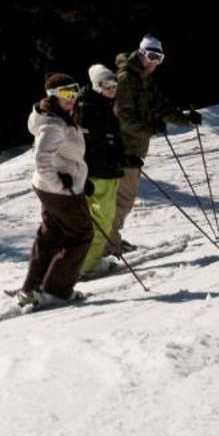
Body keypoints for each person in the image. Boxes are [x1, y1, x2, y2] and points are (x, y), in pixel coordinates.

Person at [110, 35, 201, 252]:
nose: (154, 63)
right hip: (122, 150)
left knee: (122, 199)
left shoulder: (142, 77)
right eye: (151, 56)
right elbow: (122, 117)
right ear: (141, 53)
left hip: (134, 148)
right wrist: (150, 128)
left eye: (159, 58)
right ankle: (108, 244)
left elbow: (159, 105)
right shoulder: (126, 79)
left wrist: (185, 119)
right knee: (122, 198)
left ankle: (110, 239)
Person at [16, 72, 93, 309]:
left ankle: (33, 288)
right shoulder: (53, 124)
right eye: (65, 94)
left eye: (74, 92)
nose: (72, 99)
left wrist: (80, 179)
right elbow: (42, 161)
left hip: (50, 188)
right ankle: (56, 291)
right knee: (81, 235)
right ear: (53, 97)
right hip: (58, 192)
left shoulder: (57, 116)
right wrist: (61, 184)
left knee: (51, 235)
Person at [75, 62, 126, 279]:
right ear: (97, 86)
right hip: (98, 173)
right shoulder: (89, 109)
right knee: (102, 219)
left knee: (100, 218)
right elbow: (85, 146)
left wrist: (124, 157)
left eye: (115, 85)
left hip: (106, 170)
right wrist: (84, 175)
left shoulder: (103, 105)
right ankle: (88, 265)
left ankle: (86, 261)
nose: (112, 89)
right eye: (107, 85)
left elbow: (109, 140)